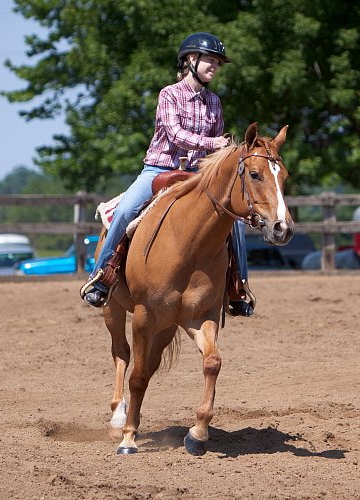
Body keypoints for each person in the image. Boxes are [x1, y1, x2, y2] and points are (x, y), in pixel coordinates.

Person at [81, 32, 255, 317]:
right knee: (125, 211)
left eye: (218, 62)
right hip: (159, 169)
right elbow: (175, 134)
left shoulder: (215, 102)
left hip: (199, 175)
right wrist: (213, 144)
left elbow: (215, 148)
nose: (215, 66)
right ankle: (101, 277)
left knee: (233, 220)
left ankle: (237, 287)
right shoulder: (169, 95)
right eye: (210, 60)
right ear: (190, 59)